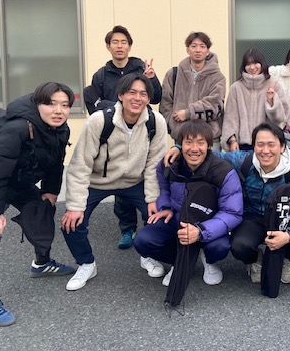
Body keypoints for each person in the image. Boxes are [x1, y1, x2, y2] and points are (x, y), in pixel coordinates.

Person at [0, 82, 76, 327]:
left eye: (65, 105)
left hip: (16, 180)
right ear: (38, 104)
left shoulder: (60, 128)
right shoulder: (18, 128)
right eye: (51, 104)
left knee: (43, 210)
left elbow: (56, 161)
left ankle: (41, 263)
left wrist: (50, 190)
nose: (58, 111)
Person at [164, 122, 290, 286]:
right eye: (260, 144)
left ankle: (287, 258)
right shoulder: (244, 161)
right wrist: (178, 148)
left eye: (271, 145)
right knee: (239, 246)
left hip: (285, 217)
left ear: (282, 147)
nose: (265, 150)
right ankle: (255, 259)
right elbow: (209, 153)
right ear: (253, 146)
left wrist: (289, 235)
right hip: (253, 216)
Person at [62, 74, 168, 291]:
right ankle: (86, 264)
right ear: (120, 95)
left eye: (143, 94)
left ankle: (147, 255)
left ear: (149, 99)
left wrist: (152, 198)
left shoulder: (156, 122)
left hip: (135, 181)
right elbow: (80, 166)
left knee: (159, 216)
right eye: (132, 92)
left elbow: (154, 165)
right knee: (71, 222)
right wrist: (75, 206)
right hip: (98, 181)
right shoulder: (99, 121)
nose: (137, 98)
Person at [133, 120, 243, 287]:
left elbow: (232, 213)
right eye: (188, 142)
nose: (194, 148)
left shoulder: (224, 171)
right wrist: (165, 207)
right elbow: (164, 189)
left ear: (208, 145)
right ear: (180, 145)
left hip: (208, 222)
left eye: (200, 143)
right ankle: (179, 260)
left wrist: (200, 231)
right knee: (143, 240)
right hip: (178, 217)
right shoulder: (169, 164)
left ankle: (209, 260)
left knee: (220, 247)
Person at [83, 25, 162, 250]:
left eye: (124, 42)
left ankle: (150, 228)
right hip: (115, 133)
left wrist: (152, 79)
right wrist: (116, 107)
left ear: (129, 46)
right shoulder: (101, 75)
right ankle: (127, 228)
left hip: (140, 130)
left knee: (142, 176)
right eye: (115, 42)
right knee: (119, 176)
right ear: (108, 46)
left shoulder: (141, 69)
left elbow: (156, 97)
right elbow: (95, 107)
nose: (119, 46)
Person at [160, 31, 226, 150]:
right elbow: (165, 103)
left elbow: (215, 104)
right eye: (194, 46)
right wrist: (173, 126)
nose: (198, 50)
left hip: (211, 139)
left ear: (208, 51)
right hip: (182, 138)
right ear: (188, 50)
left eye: (202, 46)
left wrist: (188, 113)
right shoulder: (174, 74)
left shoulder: (217, 77)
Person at [222, 48, 289, 151]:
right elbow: (230, 119)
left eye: (255, 63)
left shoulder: (274, 85)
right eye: (248, 64)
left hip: (267, 144)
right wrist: (232, 140)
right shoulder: (236, 88)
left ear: (262, 64)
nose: (252, 67)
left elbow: (280, 118)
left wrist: (271, 101)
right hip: (242, 146)